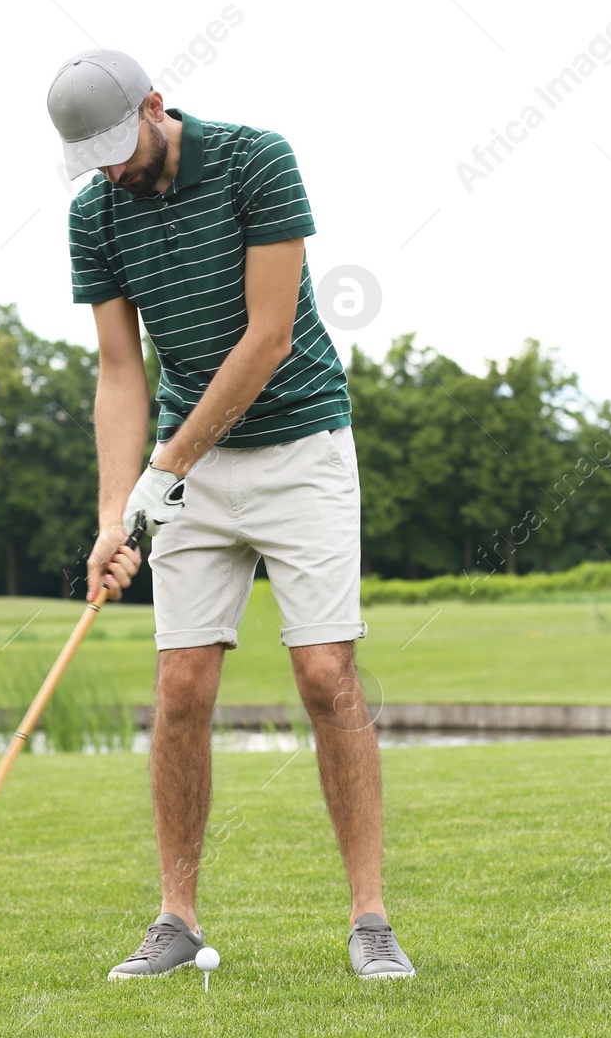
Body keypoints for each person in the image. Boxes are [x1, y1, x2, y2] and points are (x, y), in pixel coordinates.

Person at [46, 48, 413, 980]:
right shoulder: (95, 213)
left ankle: (370, 918)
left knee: (328, 675)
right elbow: (121, 372)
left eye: (117, 148)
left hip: (300, 448)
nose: (111, 170)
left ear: (157, 106)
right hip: (187, 472)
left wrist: (164, 468)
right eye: (92, 159)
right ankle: (176, 917)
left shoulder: (258, 160)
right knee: (181, 691)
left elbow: (269, 335)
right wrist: (111, 518)